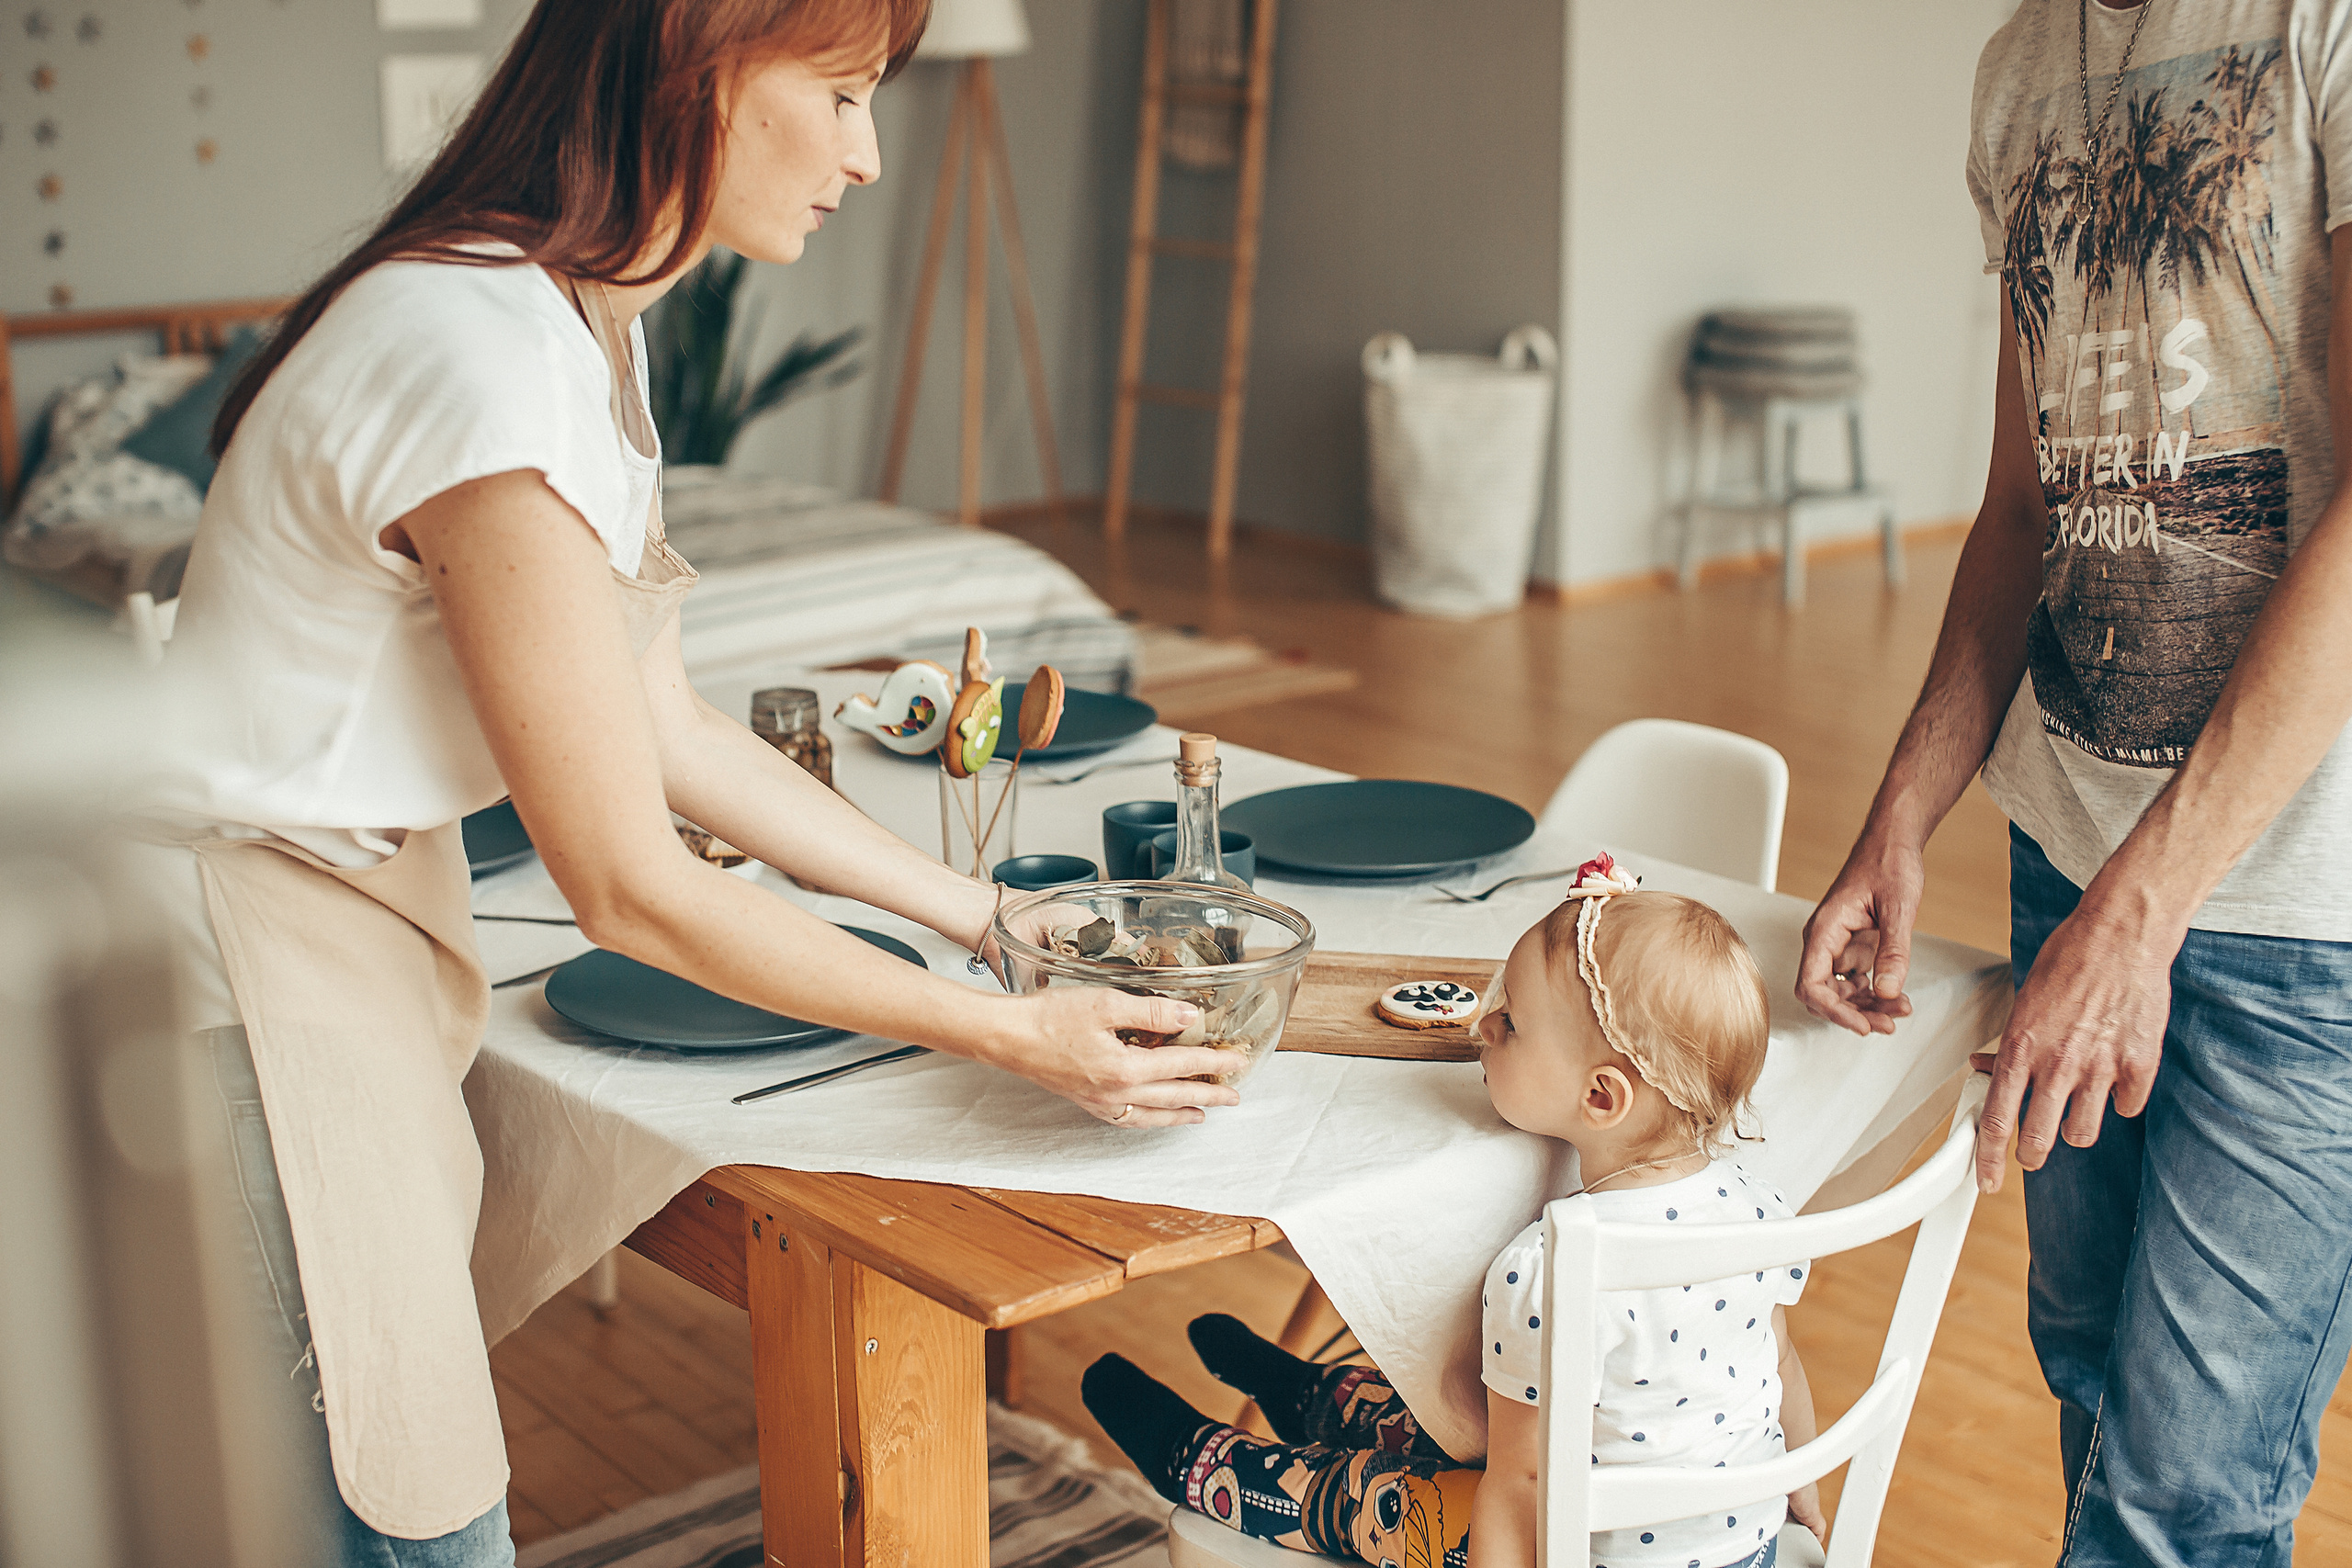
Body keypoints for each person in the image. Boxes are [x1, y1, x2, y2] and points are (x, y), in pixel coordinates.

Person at [131, 1, 1245, 1560]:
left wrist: (992, 914)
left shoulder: (579, 318)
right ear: (696, 57)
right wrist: (1007, 1032)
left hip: (350, 931)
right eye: (845, 93)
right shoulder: (477, 350)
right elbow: (630, 882)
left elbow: (671, 728)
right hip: (233, 989)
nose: (866, 154)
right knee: (403, 1514)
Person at [1795, 4, 2352, 1562]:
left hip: (2305, 915)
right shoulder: (2021, 70)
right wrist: (1903, 811)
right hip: (2070, 863)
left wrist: (2143, 915)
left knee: (2186, 1500)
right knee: (2096, 1397)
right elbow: (2023, 504)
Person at [1081, 869, 1823, 1568]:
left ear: (1601, 1098)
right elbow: (1783, 1366)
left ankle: (1201, 1458)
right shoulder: (1761, 1213)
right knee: (1456, 1421)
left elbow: (1521, 1484)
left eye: (1512, 1022)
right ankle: (1307, 1394)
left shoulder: (1552, 1272)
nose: (1483, 1025)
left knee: (1375, 1498)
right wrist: (1805, 1493)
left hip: (1589, 1549)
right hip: (1746, 1546)